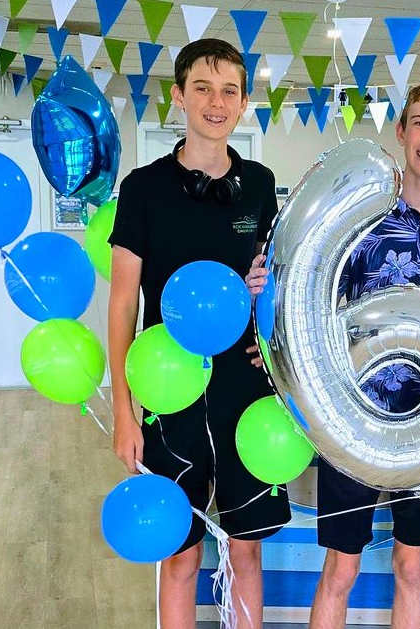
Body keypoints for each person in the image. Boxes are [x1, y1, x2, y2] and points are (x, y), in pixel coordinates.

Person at [246, 75, 420, 629]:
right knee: (340, 569)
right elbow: (305, 292)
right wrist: (269, 308)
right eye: (419, 123)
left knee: (411, 566)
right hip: (347, 415)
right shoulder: (358, 211)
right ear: (400, 130)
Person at [108, 38, 291, 629]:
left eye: (229, 91)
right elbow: (121, 305)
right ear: (179, 96)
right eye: (203, 89)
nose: (216, 102)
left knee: (246, 549)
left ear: (244, 103)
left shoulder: (261, 186)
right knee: (180, 553)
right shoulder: (143, 187)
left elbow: (275, 289)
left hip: (246, 390)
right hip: (169, 388)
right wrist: (124, 410)